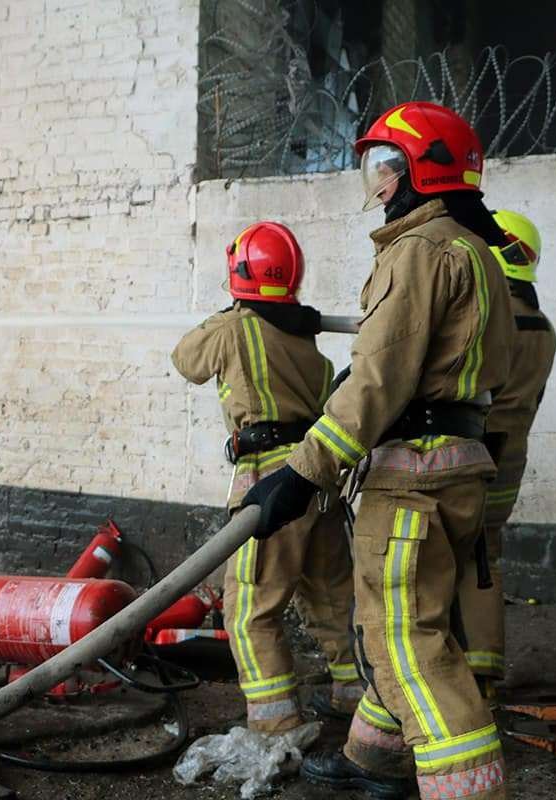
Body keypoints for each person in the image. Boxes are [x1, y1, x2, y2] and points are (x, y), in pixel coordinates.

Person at [242, 103, 514, 799]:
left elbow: (379, 378)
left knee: (405, 641)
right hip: (456, 468)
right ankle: (375, 761)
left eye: (388, 166)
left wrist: (301, 474)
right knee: (415, 617)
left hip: (411, 478)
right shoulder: (476, 252)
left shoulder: (417, 251)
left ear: (425, 171)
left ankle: (469, 790)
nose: (380, 183)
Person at [171, 220, 361, 734]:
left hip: (269, 485)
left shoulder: (235, 328)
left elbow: (186, 359)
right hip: (318, 484)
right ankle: (355, 695)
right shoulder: (315, 355)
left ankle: (274, 726)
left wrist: (228, 313)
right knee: (330, 596)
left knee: (251, 607)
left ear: (240, 277)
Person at [457, 210, 556, 698]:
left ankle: (453, 674)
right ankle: (484, 670)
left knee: (441, 557)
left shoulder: (488, 321)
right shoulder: (543, 328)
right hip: (511, 459)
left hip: (473, 456)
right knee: (483, 556)